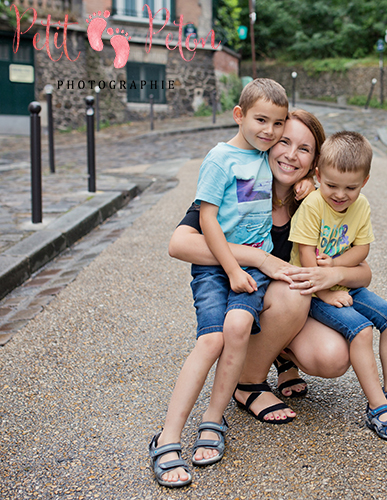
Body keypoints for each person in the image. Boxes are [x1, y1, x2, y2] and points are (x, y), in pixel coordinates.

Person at [158, 109, 382, 485]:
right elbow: (179, 244)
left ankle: (277, 354)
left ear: (317, 161)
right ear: (267, 142)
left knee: (332, 357)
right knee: (291, 296)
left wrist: (335, 273)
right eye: (284, 142)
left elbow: (365, 269)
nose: (291, 154)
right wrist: (257, 256)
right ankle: (248, 383)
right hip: (260, 294)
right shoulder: (243, 187)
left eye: (305, 148)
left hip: (282, 302)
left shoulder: (316, 201)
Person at [148, 78, 289, 488]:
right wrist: (230, 268)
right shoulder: (219, 159)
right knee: (211, 340)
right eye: (261, 120)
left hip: (254, 269)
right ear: (239, 115)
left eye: (278, 123)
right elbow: (206, 219)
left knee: (239, 326)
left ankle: (213, 418)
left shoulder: (268, 158)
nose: (270, 131)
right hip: (218, 267)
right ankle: (168, 436)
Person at [289, 131, 387, 441]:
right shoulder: (313, 206)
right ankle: (377, 406)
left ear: (365, 181)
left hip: (340, 279)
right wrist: (327, 291)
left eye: (351, 187)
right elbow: (306, 258)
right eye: (331, 185)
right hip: (312, 287)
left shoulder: (362, 206)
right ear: (318, 175)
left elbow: (362, 250)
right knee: (360, 329)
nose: (340, 194)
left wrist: (337, 267)